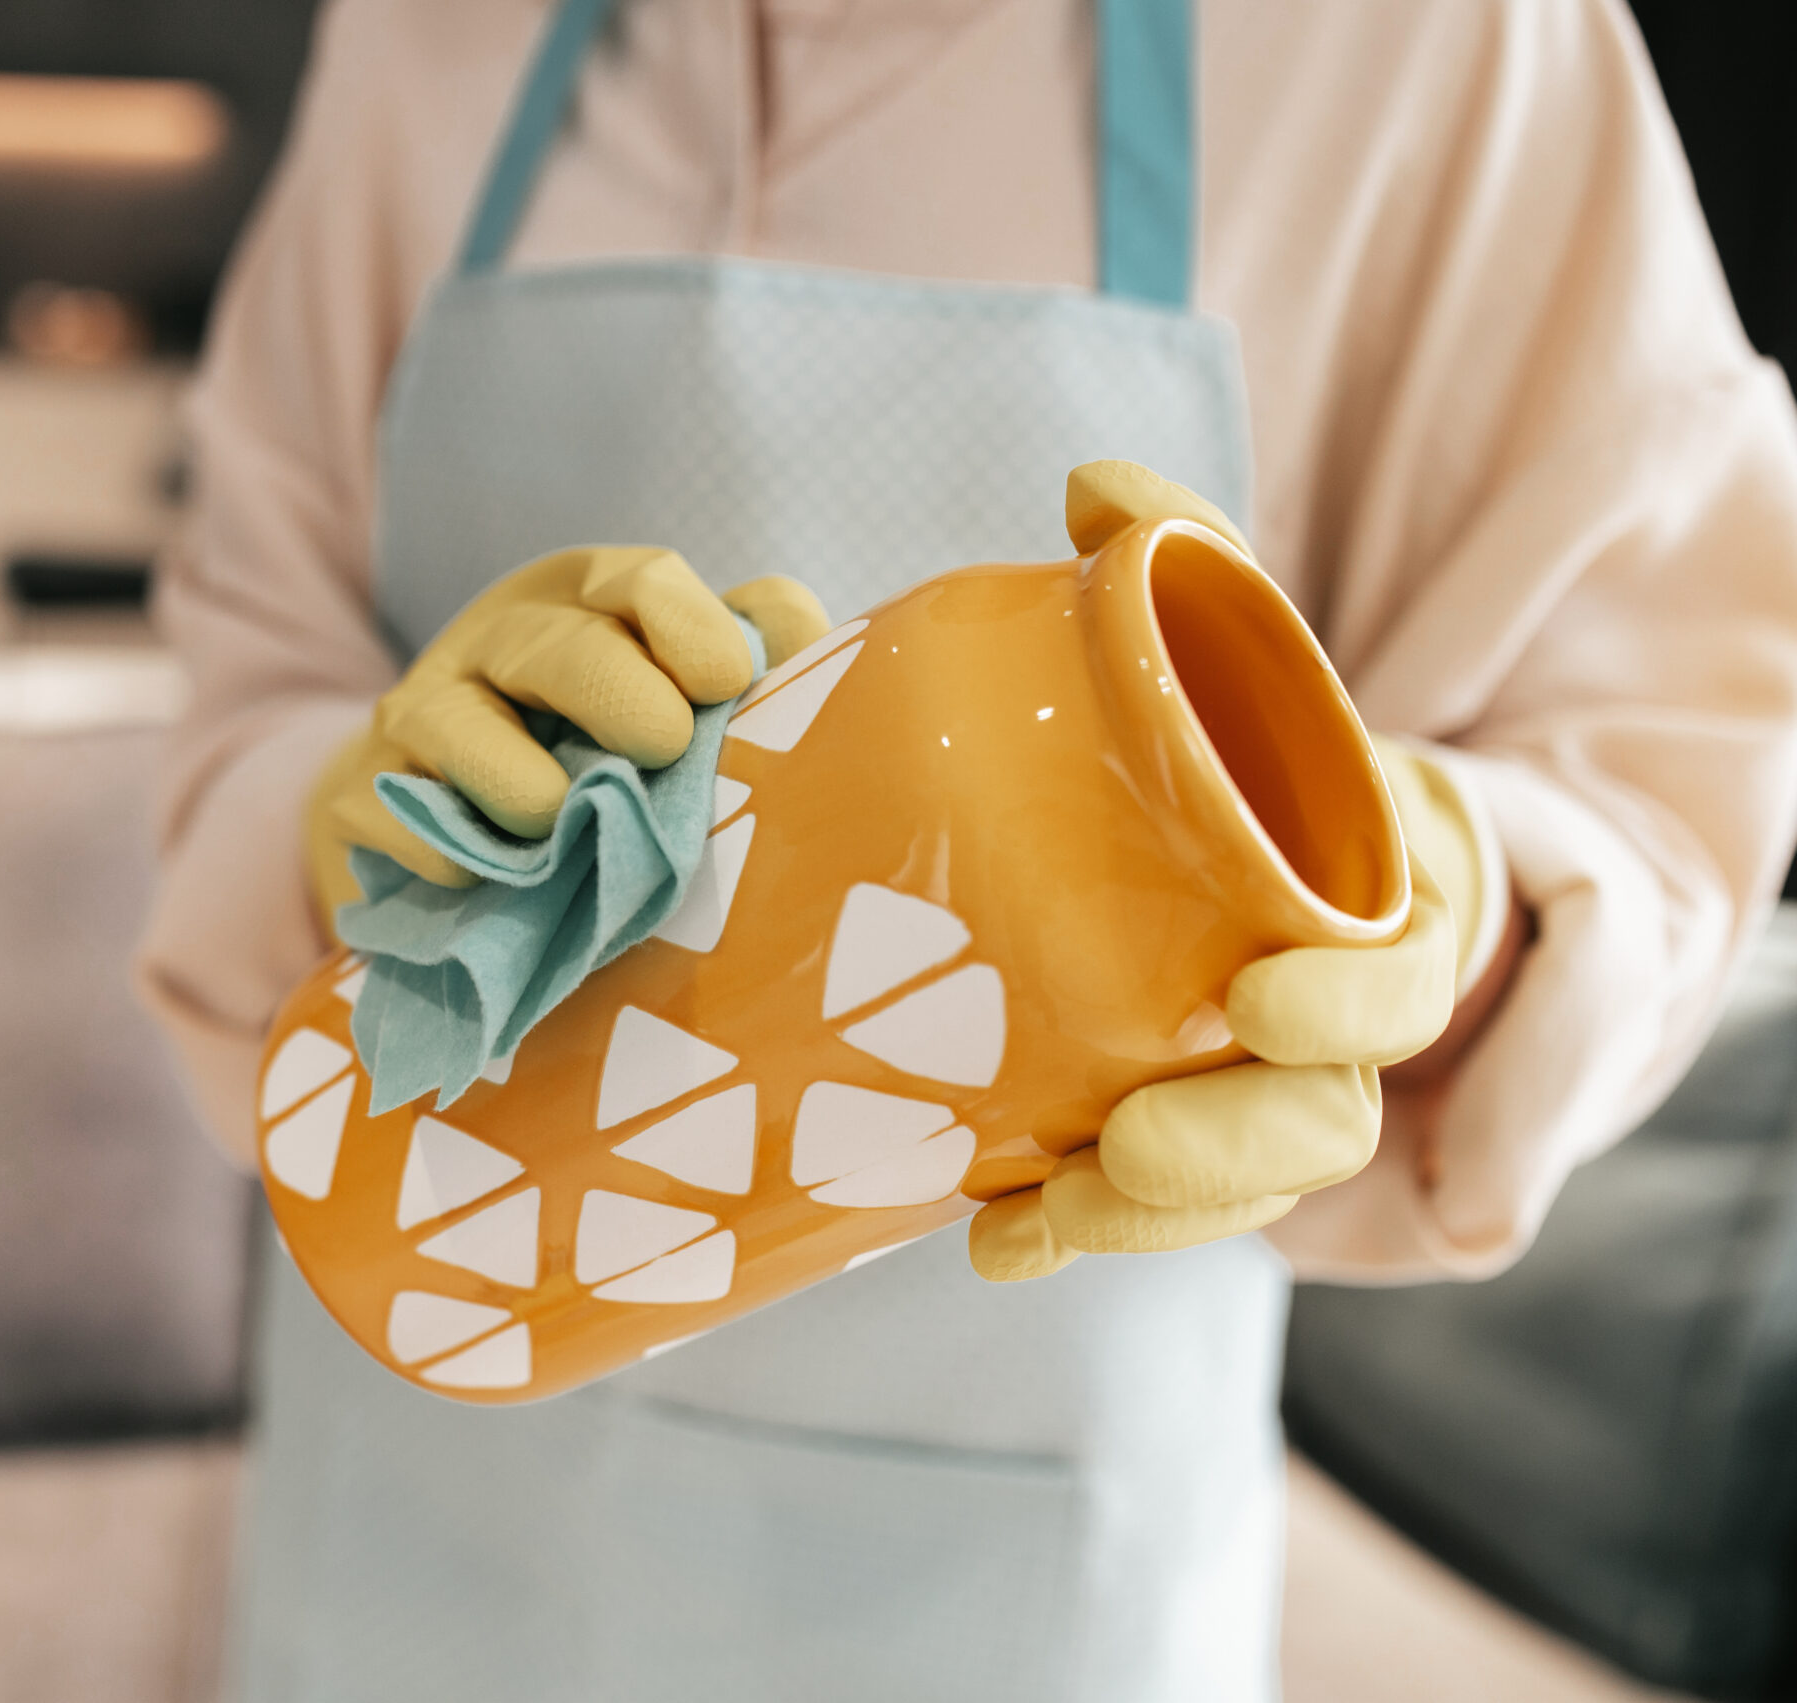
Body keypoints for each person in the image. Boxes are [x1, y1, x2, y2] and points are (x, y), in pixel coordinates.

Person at [135, 1, 1797, 1697]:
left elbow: (1659, 762)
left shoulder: (1435, 43)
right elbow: (255, 634)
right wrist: (344, 799)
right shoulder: (425, 34)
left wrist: (1444, 903)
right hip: (414, 1503)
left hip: (1014, 1589)